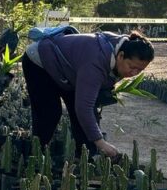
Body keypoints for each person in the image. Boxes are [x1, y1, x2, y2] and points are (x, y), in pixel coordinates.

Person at [23, 28, 155, 158]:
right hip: (40, 61)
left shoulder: (123, 49)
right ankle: (34, 158)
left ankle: (86, 158)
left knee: (80, 116)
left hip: (68, 71)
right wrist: (101, 143)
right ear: (120, 56)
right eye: (132, 67)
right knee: (50, 113)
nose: (134, 73)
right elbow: (83, 108)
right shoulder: (96, 62)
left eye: (139, 70)